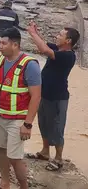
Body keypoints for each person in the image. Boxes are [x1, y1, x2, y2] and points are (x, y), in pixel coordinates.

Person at [0, 27, 41, 189]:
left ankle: (24, 187)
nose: (0, 46)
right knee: (2, 150)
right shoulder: (1, 60)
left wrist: (28, 124)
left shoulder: (29, 65)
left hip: (18, 120)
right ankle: (4, 184)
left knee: (15, 157)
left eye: (3, 43)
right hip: (0, 116)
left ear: (15, 45)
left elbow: (36, 96)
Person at [26, 22, 80, 171]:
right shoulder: (58, 49)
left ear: (68, 41)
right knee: (43, 123)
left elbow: (44, 49)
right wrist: (36, 33)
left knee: (57, 127)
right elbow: (43, 45)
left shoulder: (67, 56)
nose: (57, 36)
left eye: (60, 35)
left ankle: (58, 158)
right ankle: (44, 151)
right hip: (45, 93)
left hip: (58, 97)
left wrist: (32, 33)